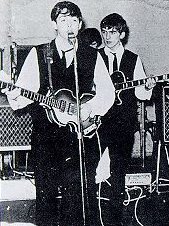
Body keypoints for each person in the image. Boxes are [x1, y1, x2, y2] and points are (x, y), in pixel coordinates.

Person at [1, 1, 115, 225]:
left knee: (81, 196)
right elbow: (23, 96)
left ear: (80, 24)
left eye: (74, 20)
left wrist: (90, 108)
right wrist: (12, 92)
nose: (69, 25)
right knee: (47, 197)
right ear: (54, 24)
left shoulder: (92, 56)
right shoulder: (39, 54)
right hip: (47, 138)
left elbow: (108, 93)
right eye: (63, 20)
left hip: (82, 138)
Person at [97, 13, 156, 225]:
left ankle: (115, 219)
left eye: (112, 32)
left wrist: (147, 88)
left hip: (123, 123)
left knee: (118, 171)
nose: (107, 37)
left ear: (122, 34)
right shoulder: (94, 57)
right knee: (90, 167)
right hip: (97, 122)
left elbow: (140, 94)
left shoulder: (133, 59)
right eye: (104, 32)